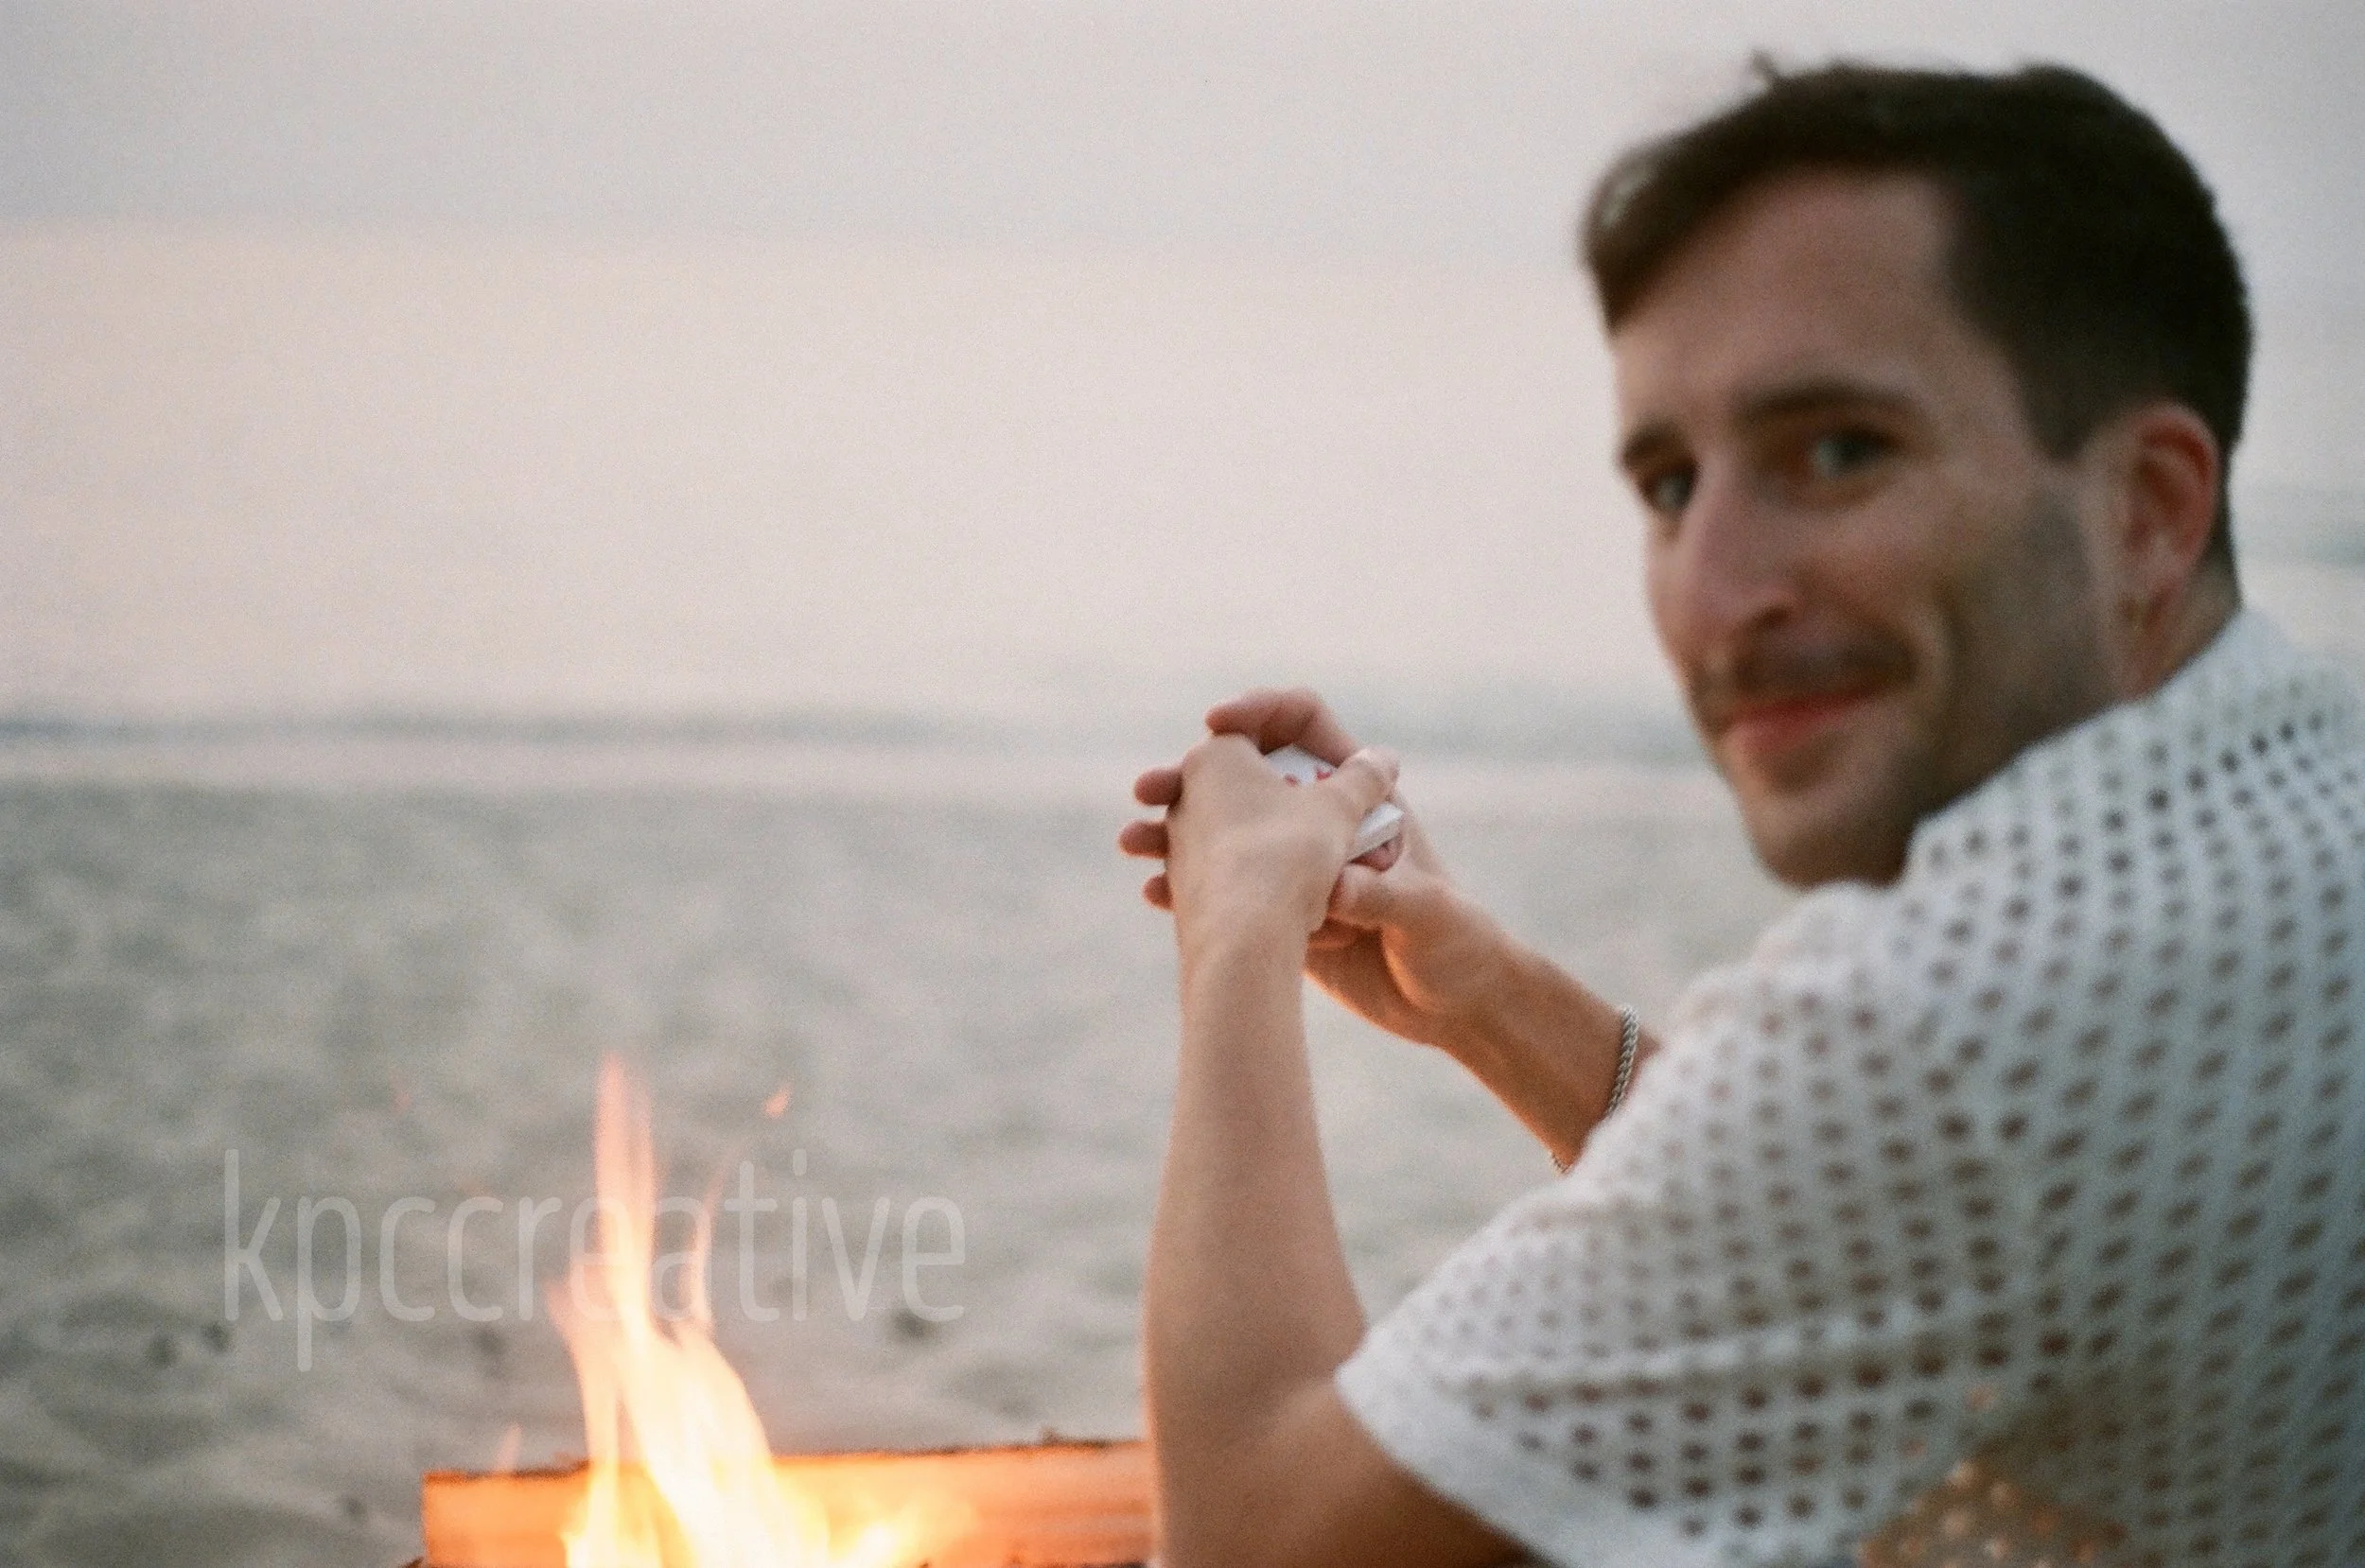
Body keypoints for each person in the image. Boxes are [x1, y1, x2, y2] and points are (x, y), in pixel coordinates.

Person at [1117, 61, 2364, 1568]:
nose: (1712, 595)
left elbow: (1258, 1540)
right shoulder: (2296, 787)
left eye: (1837, 451)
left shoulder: (1948, 1020)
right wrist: (1493, 1000)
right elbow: (1892, 1216)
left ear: (2146, 507)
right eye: (1668, 483)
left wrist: (1235, 928)